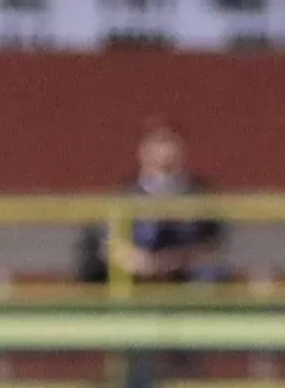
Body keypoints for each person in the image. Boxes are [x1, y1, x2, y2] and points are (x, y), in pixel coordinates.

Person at [76, 120, 227, 286]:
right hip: (133, 271)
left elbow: (212, 242)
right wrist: (137, 261)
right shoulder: (124, 195)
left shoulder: (198, 193)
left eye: (170, 143)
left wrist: (175, 260)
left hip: (184, 271)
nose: (164, 151)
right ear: (143, 150)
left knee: (210, 275)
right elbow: (107, 242)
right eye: (158, 143)